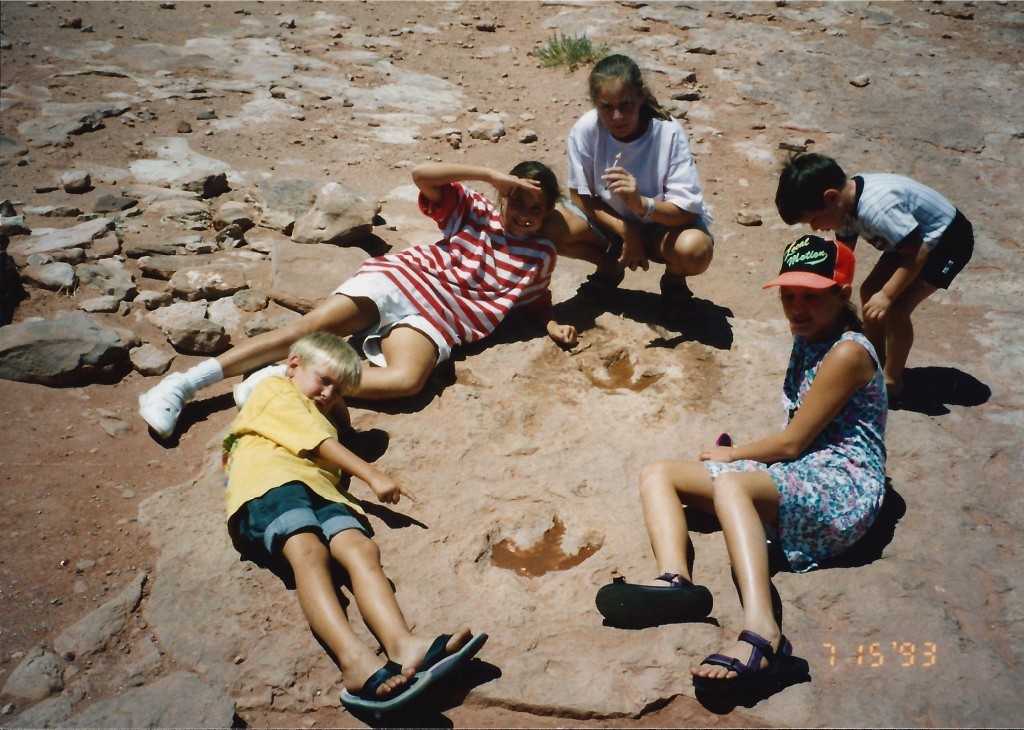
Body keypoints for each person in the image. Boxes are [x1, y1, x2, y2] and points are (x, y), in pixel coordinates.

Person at [595, 236, 887, 698]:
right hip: (806, 475)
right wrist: (743, 461)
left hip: (842, 487)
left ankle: (765, 636)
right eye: (789, 294)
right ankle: (675, 581)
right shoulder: (810, 336)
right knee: (658, 473)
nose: (796, 306)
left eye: (811, 294)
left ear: (841, 293)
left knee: (731, 485)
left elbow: (792, 444)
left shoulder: (848, 350)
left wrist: (735, 456)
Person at [139, 161, 578, 439]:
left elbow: (534, 298)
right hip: (406, 277)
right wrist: (485, 174)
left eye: (536, 208)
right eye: (517, 200)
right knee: (309, 329)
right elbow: (421, 176)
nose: (523, 213)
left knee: (408, 381)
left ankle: (279, 378)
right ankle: (182, 385)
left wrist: (552, 323)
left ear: (548, 213)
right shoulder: (475, 208)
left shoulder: (541, 254)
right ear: (504, 194)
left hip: (439, 319)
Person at [223, 331, 487, 712]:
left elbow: (334, 427)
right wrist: (371, 475)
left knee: (361, 548)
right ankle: (354, 661)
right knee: (307, 550)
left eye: (339, 389)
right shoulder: (274, 389)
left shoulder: (317, 408)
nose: (329, 394)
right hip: (268, 481)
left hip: (322, 489)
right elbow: (318, 441)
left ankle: (403, 644)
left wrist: (335, 401)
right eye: (324, 381)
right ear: (293, 364)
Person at [775, 152, 974, 404]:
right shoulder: (843, 209)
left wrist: (889, 295)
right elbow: (843, 258)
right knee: (870, 292)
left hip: (944, 242)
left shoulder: (876, 208)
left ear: (831, 198)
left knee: (896, 309)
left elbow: (918, 251)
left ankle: (893, 380)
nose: (815, 228)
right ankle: (872, 363)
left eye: (814, 219)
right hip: (904, 241)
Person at [554, 53, 714, 316]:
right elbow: (579, 196)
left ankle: (674, 280)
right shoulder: (586, 130)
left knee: (696, 249)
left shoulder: (668, 132)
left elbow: (686, 210)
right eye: (606, 107)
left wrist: (640, 205)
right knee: (548, 225)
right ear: (595, 104)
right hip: (610, 226)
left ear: (641, 96)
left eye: (626, 104)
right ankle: (610, 266)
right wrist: (626, 229)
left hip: (660, 228)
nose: (617, 116)